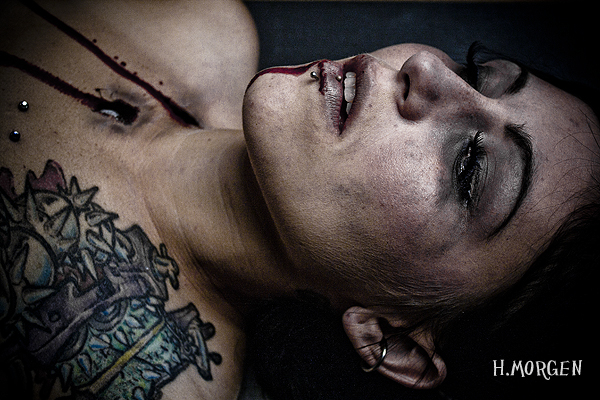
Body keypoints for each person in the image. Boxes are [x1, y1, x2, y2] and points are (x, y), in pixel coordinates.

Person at [1, 1, 597, 399]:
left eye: (470, 168)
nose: (425, 68)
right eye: (474, 73)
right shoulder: (200, 24)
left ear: (392, 341)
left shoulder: (129, 381)